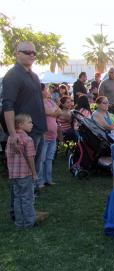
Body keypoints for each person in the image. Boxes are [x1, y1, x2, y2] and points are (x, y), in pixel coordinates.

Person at [2, 42, 47, 187]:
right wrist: (13, 134)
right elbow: (7, 105)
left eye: (34, 53)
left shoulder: (33, 76)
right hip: (24, 133)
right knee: (23, 175)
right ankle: (18, 210)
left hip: (38, 129)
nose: (32, 55)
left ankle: (30, 206)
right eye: (28, 52)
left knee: (35, 171)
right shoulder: (12, 75)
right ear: (17, 53)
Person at [8, 114, 49, 228]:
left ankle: (20, 222)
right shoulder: (27, 139)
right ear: (20, 125)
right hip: (25, 174)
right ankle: (29, 222)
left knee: (17, 198)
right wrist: (34, 173)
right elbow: (30, 157)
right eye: (29, 122)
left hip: (13, 174)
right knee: (27, 198)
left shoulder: (11, 138)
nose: (32, 124)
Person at [38, 84, 61, 188]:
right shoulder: (40, 102)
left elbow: (59, 111)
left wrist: (54, 111)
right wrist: (54, 111)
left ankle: (48, 179)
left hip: (53, 135)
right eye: (46, 89)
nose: (48, 91)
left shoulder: (50, 101)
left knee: (49, 158)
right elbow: (50, 112)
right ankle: (40, 181)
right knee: (42, 159)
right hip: (45, 135)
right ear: (41, 91)